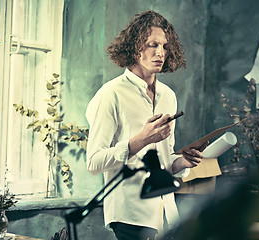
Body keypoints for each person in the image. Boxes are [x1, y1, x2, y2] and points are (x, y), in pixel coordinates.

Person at [86, 10, 207, 240]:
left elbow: (165, 160)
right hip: (130, 215)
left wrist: (184, 161)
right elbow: (94, 162)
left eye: (164, 46)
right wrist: (142, 138)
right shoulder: (110, 94)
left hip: (166, 213)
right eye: (153, 45)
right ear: (135, 46)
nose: (160, 53)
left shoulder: (168, 96)